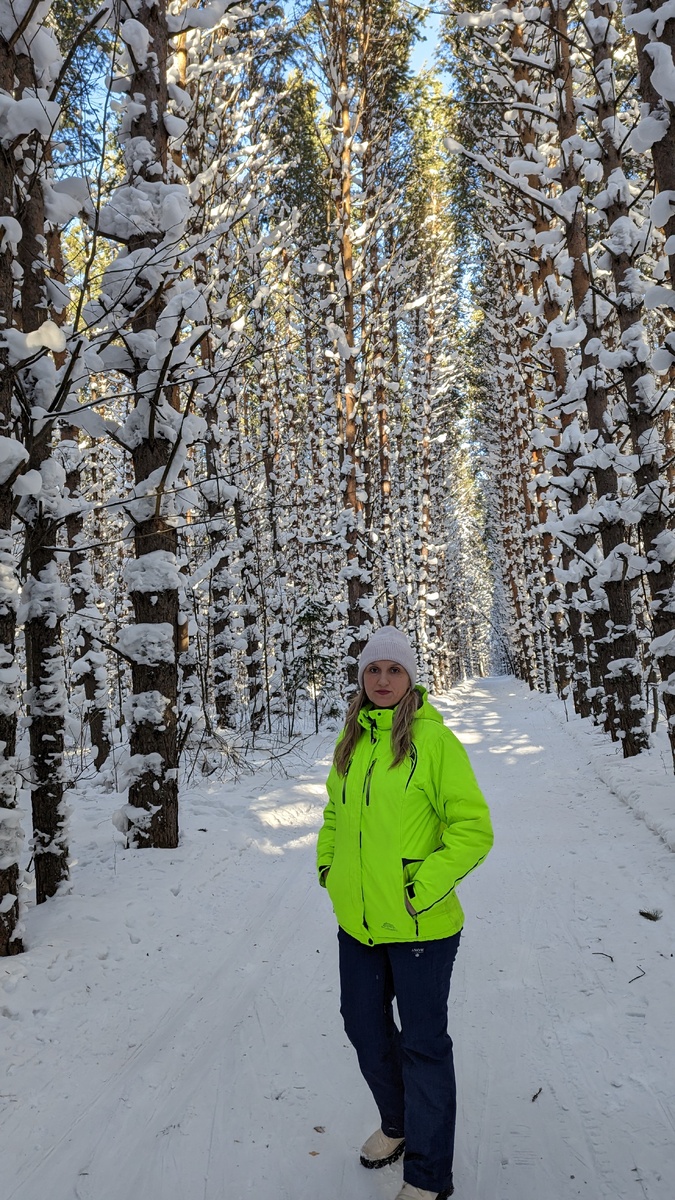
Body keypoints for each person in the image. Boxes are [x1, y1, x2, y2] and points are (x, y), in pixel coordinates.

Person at [317, 626, 493, 1200]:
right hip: (360, 926)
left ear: (411, 678)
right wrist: (330, 872)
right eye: (374, 670)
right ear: (362, 679)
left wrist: (422, 887)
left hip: (421, 926)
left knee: (422, 1044)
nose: (384, 680)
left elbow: (473, 829)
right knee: (364, 1029)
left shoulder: (433, 742)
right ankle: (398, 1125)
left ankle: (427, 1174)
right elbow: (335, 821)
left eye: (394, 670)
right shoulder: (351, 742)